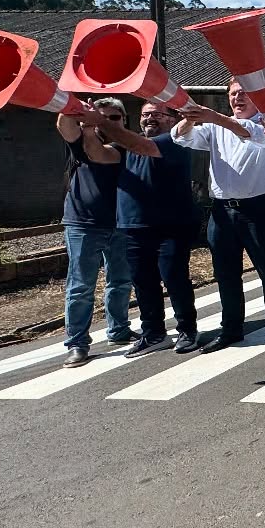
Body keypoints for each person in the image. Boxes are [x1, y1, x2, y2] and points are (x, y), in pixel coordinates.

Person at [172, 78, 265, 352]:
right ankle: (231, 329)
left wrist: (211, 116)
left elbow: (246, 132)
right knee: (226, 274)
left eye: (244, 93)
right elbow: (180, 137)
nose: (238, 98)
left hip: (257, 209)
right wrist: (191, 118)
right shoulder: (215, 126)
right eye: (234, 93)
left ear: (256, 98)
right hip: (222, 211)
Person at [77, 101, 202, 358]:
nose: (149, 118)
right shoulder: (125, 145)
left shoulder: (176, 140)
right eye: (145, 114)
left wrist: (99, 120)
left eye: (157, 114)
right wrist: (88, 130)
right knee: (143, 283)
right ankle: (153, 333)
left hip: (172, 225)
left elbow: (141, 146)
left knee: (174, 278)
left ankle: (188, 330)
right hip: (134, 226)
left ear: (172, 119)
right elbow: (98, 155)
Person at [56, 98, 136, 367]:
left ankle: (119, 330)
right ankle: (77, 344)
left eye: (114, 118)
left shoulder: (126, 145)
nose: (107, 122)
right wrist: (74, 108)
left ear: (124, 120)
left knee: (121, 281)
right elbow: (64, 125)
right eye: (103, 116)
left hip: (120, 224)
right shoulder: (79, 140)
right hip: (83, 224)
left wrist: (91, 125)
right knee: (81, 286)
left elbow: (99, 154)